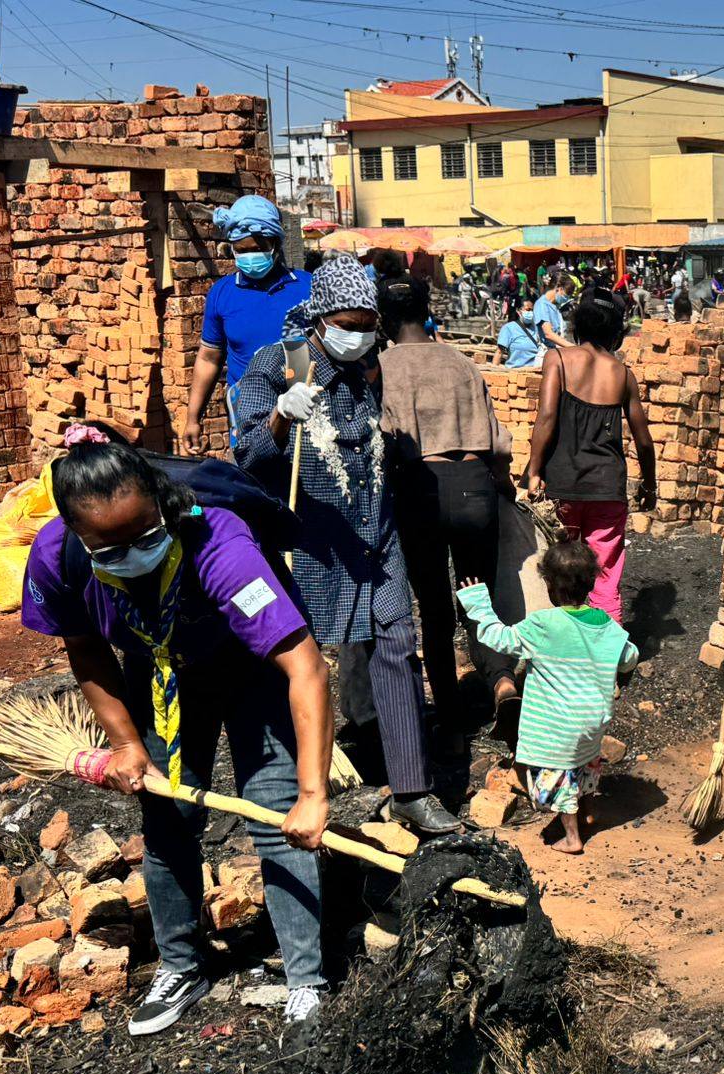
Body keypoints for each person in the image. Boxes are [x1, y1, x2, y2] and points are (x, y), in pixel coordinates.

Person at [21, 424, 332, 1034]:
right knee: (166, 823)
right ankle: (182, 967)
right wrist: (128, 745)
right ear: (77, 536)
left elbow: (306, 666)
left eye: (143, 537)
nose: (130, 556)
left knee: (276, 817)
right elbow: (86, 650)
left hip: (250, 670)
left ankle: (307, 978)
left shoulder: (217, 542)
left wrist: (314, 795)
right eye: (108, 550)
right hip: (159, 677)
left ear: (164, 509)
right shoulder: (57, 557)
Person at [233, 256, 454, 836]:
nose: (358, 336)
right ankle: (291, 784)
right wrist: (281, 416)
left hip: (374, 538)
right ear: (322, 317)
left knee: (397, 646)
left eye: (368, 326)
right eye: (348, 324)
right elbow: (249, 458)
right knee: (297, 659)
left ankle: (411, 788)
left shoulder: (368, 368)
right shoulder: (278, 366)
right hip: (309, 544)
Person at [376, 276, 519, 746]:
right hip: (476, 487)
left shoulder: (382, 368)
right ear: (426, 311)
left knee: (436, 610)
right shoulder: (462, 362)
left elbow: (385, 441)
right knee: (480, 598)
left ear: (384, 318)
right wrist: (503, 484)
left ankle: (451, 712)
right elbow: (498, 442)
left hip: (421, 490)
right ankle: (501, 682)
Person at [456, 539, 638, 855]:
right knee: (585, 764)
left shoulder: (543, 625)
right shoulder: (605, 623)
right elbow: (629, 657)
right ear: (592, 583)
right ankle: (589, 813)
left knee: (561, 777)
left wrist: (478, 603)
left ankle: (572, 838)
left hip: (557, 727)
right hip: (592, 722)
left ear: (550, 585)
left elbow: (500, 638)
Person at [526, 292, 658, 622]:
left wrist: (534, 470)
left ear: (577, 323)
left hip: (564, 485)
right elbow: (644, 440)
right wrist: (650, 485)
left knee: (562, 573)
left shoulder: (558, 359)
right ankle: (606, 660)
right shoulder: (623, 375)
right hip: (607, 489)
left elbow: (546, 417)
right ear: (616, 331)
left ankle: (565, 650)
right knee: (606, 577)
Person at [184, 196, 312, 454]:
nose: (249, 256)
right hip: (248, 421)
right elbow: (209, 358)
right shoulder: (222, 294)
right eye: (241, 250)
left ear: (275, 244)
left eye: (256, 248)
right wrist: (192, 418)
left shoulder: (307, 287)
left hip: (305, 418)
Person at [529, 273, 573, 367]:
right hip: (546, 357)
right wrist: (573, 348)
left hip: (556, 355)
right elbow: (548, 333)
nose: (567, 298)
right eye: (567, 294)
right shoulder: (542, 305)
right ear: (559, 288)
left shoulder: (555, 306)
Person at [496, 298, 541, 369]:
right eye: (528, 310)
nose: (531, 313)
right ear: (518, 311)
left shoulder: (538, 328)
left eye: (532, 310)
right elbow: (499, 352)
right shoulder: (509, 328)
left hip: (535, 371)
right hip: (514, 372)